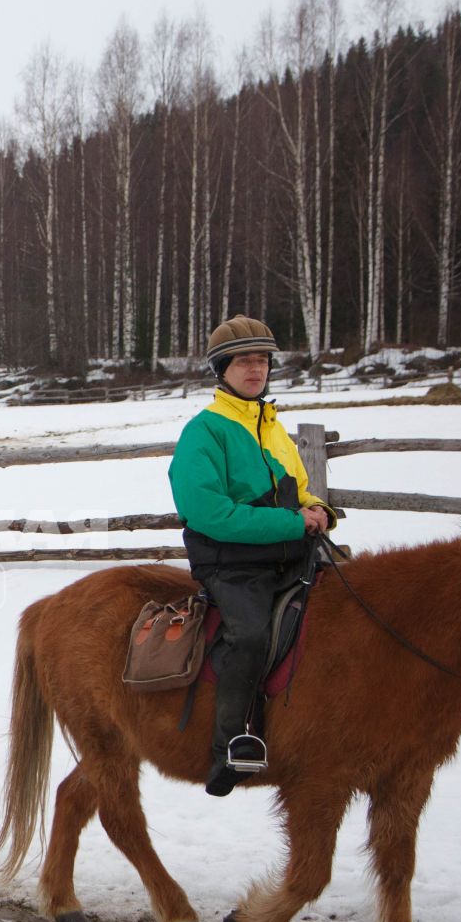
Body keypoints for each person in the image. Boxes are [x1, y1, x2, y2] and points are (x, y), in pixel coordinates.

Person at [169, 316, 333, 796]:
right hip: (231, 563)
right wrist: (289, 523)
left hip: (289, 556)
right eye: (244, 361)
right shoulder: (205, 432)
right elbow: (207, 511)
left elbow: (300, 489)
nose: (255, 369)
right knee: (249, 634)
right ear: (222, 369)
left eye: (261, 360)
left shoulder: (273, 428)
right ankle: (231, 745)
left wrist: (317, 509)